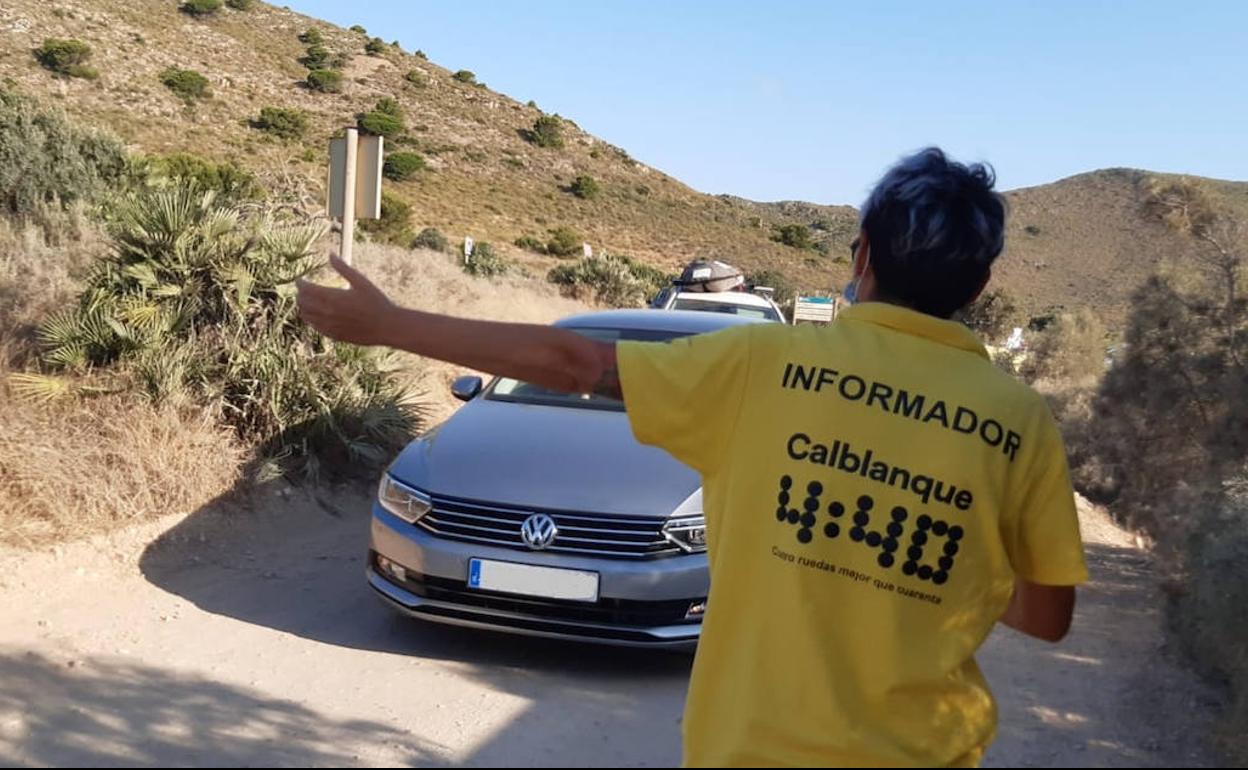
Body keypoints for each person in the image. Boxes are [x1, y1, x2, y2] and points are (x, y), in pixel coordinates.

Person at [297, 147, 1087, 767]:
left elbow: (575, 363)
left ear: (863, 256)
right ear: (979, 285)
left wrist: (390, 323)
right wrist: (920, 558)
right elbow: (1047, 616)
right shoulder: (1018, 421)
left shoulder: (762, 366)